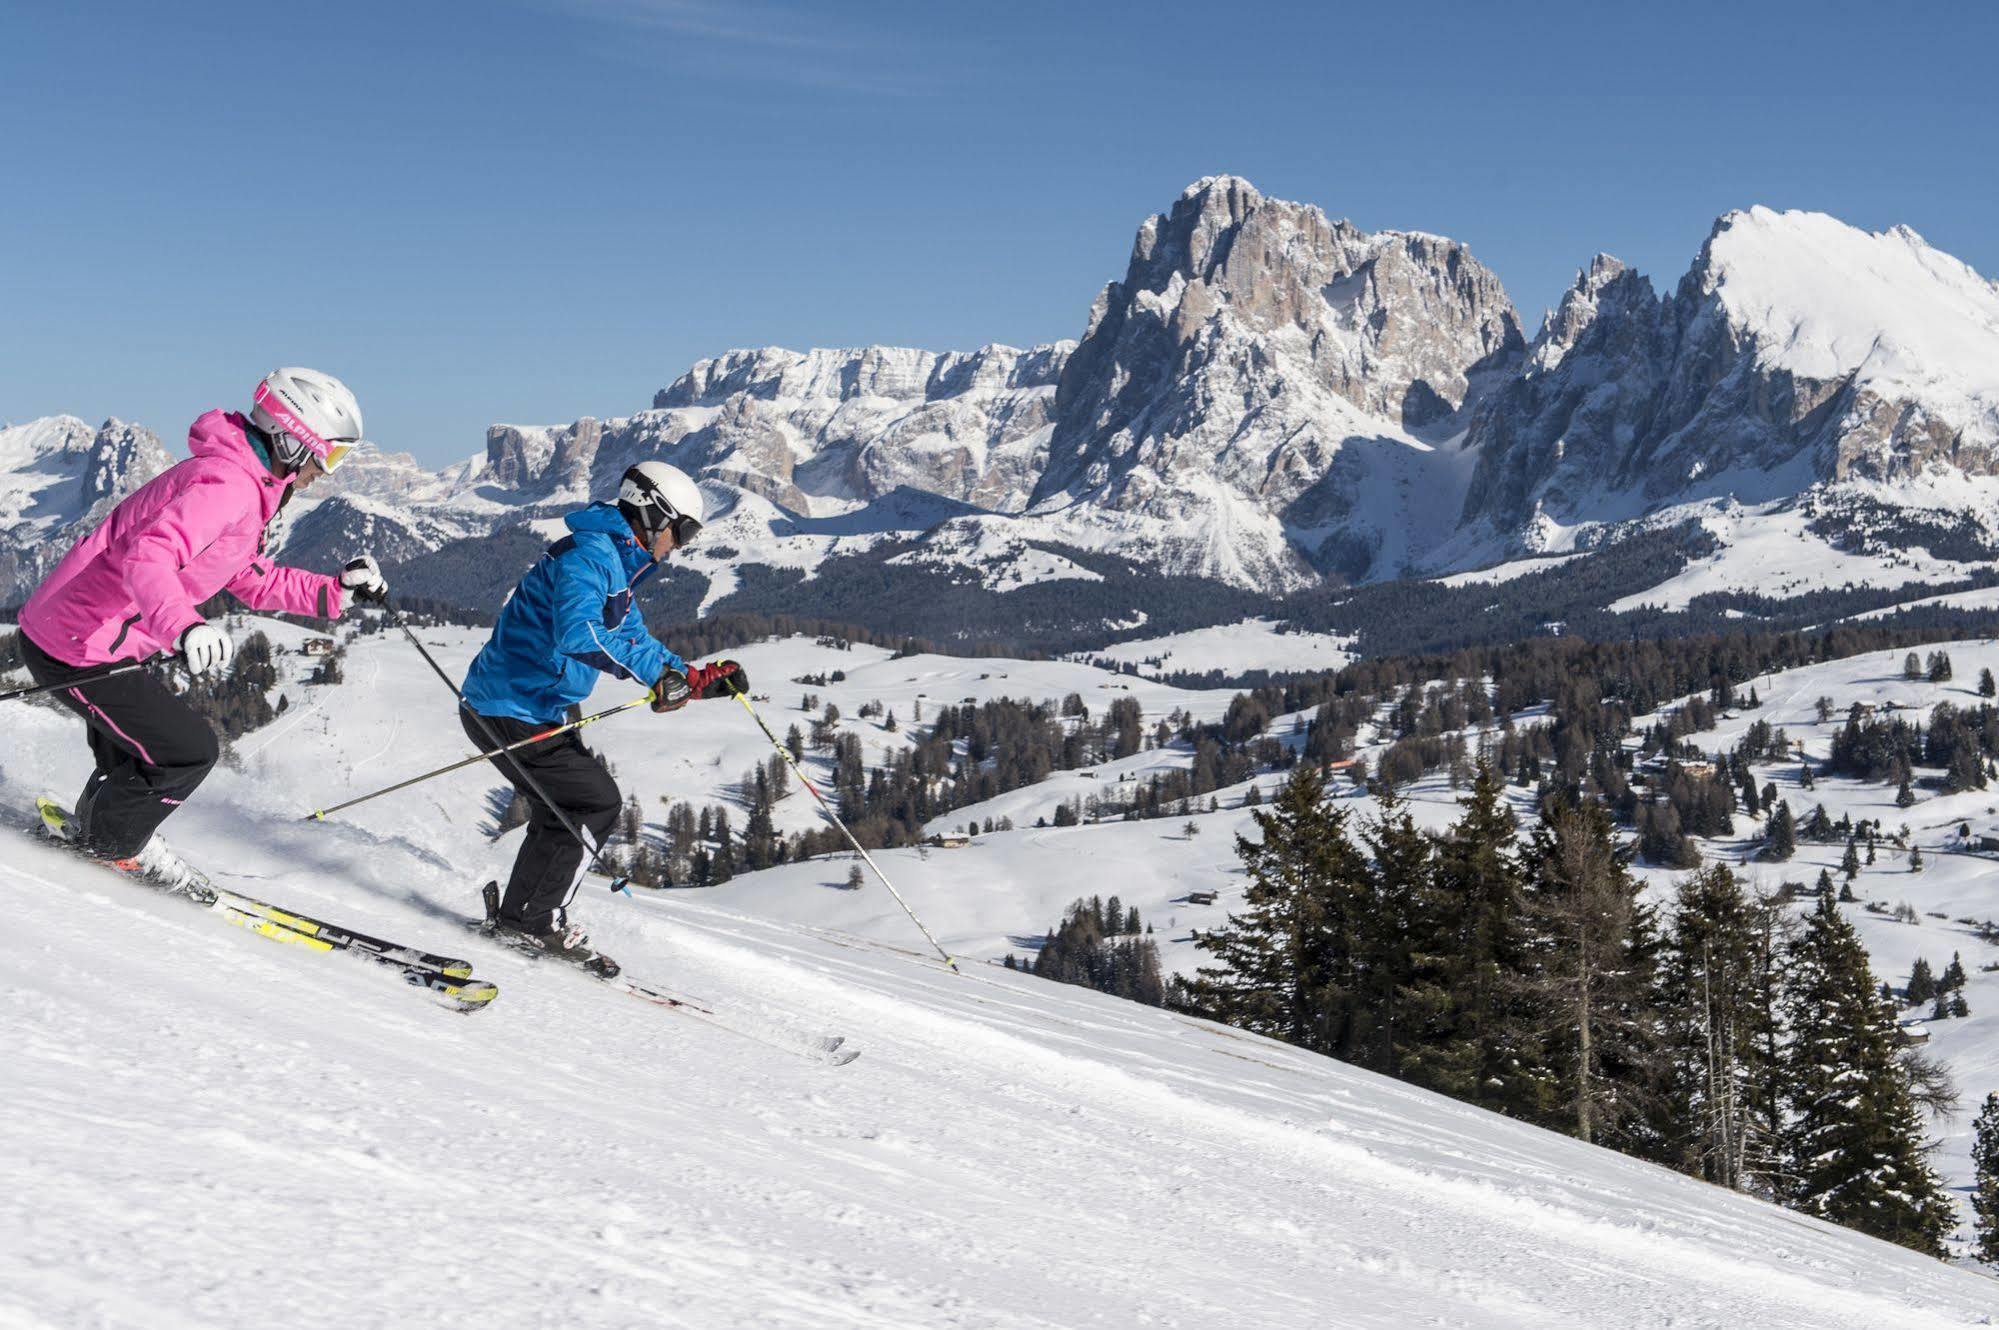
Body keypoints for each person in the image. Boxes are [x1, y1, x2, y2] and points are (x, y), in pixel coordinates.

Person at [17, 368, 390, 887]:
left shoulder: (244, 482)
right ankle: (108, 852)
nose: (325, 472)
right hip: (78, 644)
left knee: (139, 748)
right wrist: (184, 626)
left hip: (83, 635)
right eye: (328, 455)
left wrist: (333, 592)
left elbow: (246, 575)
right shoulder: (229, 487)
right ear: (292, 440)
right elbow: (151, 556)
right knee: (188, 751)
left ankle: (104, 834)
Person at [459, 460, 747, 972]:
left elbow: (633, 639)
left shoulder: (616, 561)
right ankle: (532, 921)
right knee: (595, 802)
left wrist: (696, 681)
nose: (680, 545)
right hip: (509, 708)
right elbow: (580, 633)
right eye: (682, 531)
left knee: (568, 808)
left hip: (532, 707)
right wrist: (656, 679)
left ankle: (520, 917)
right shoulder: (590, 558)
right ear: (653, 516)